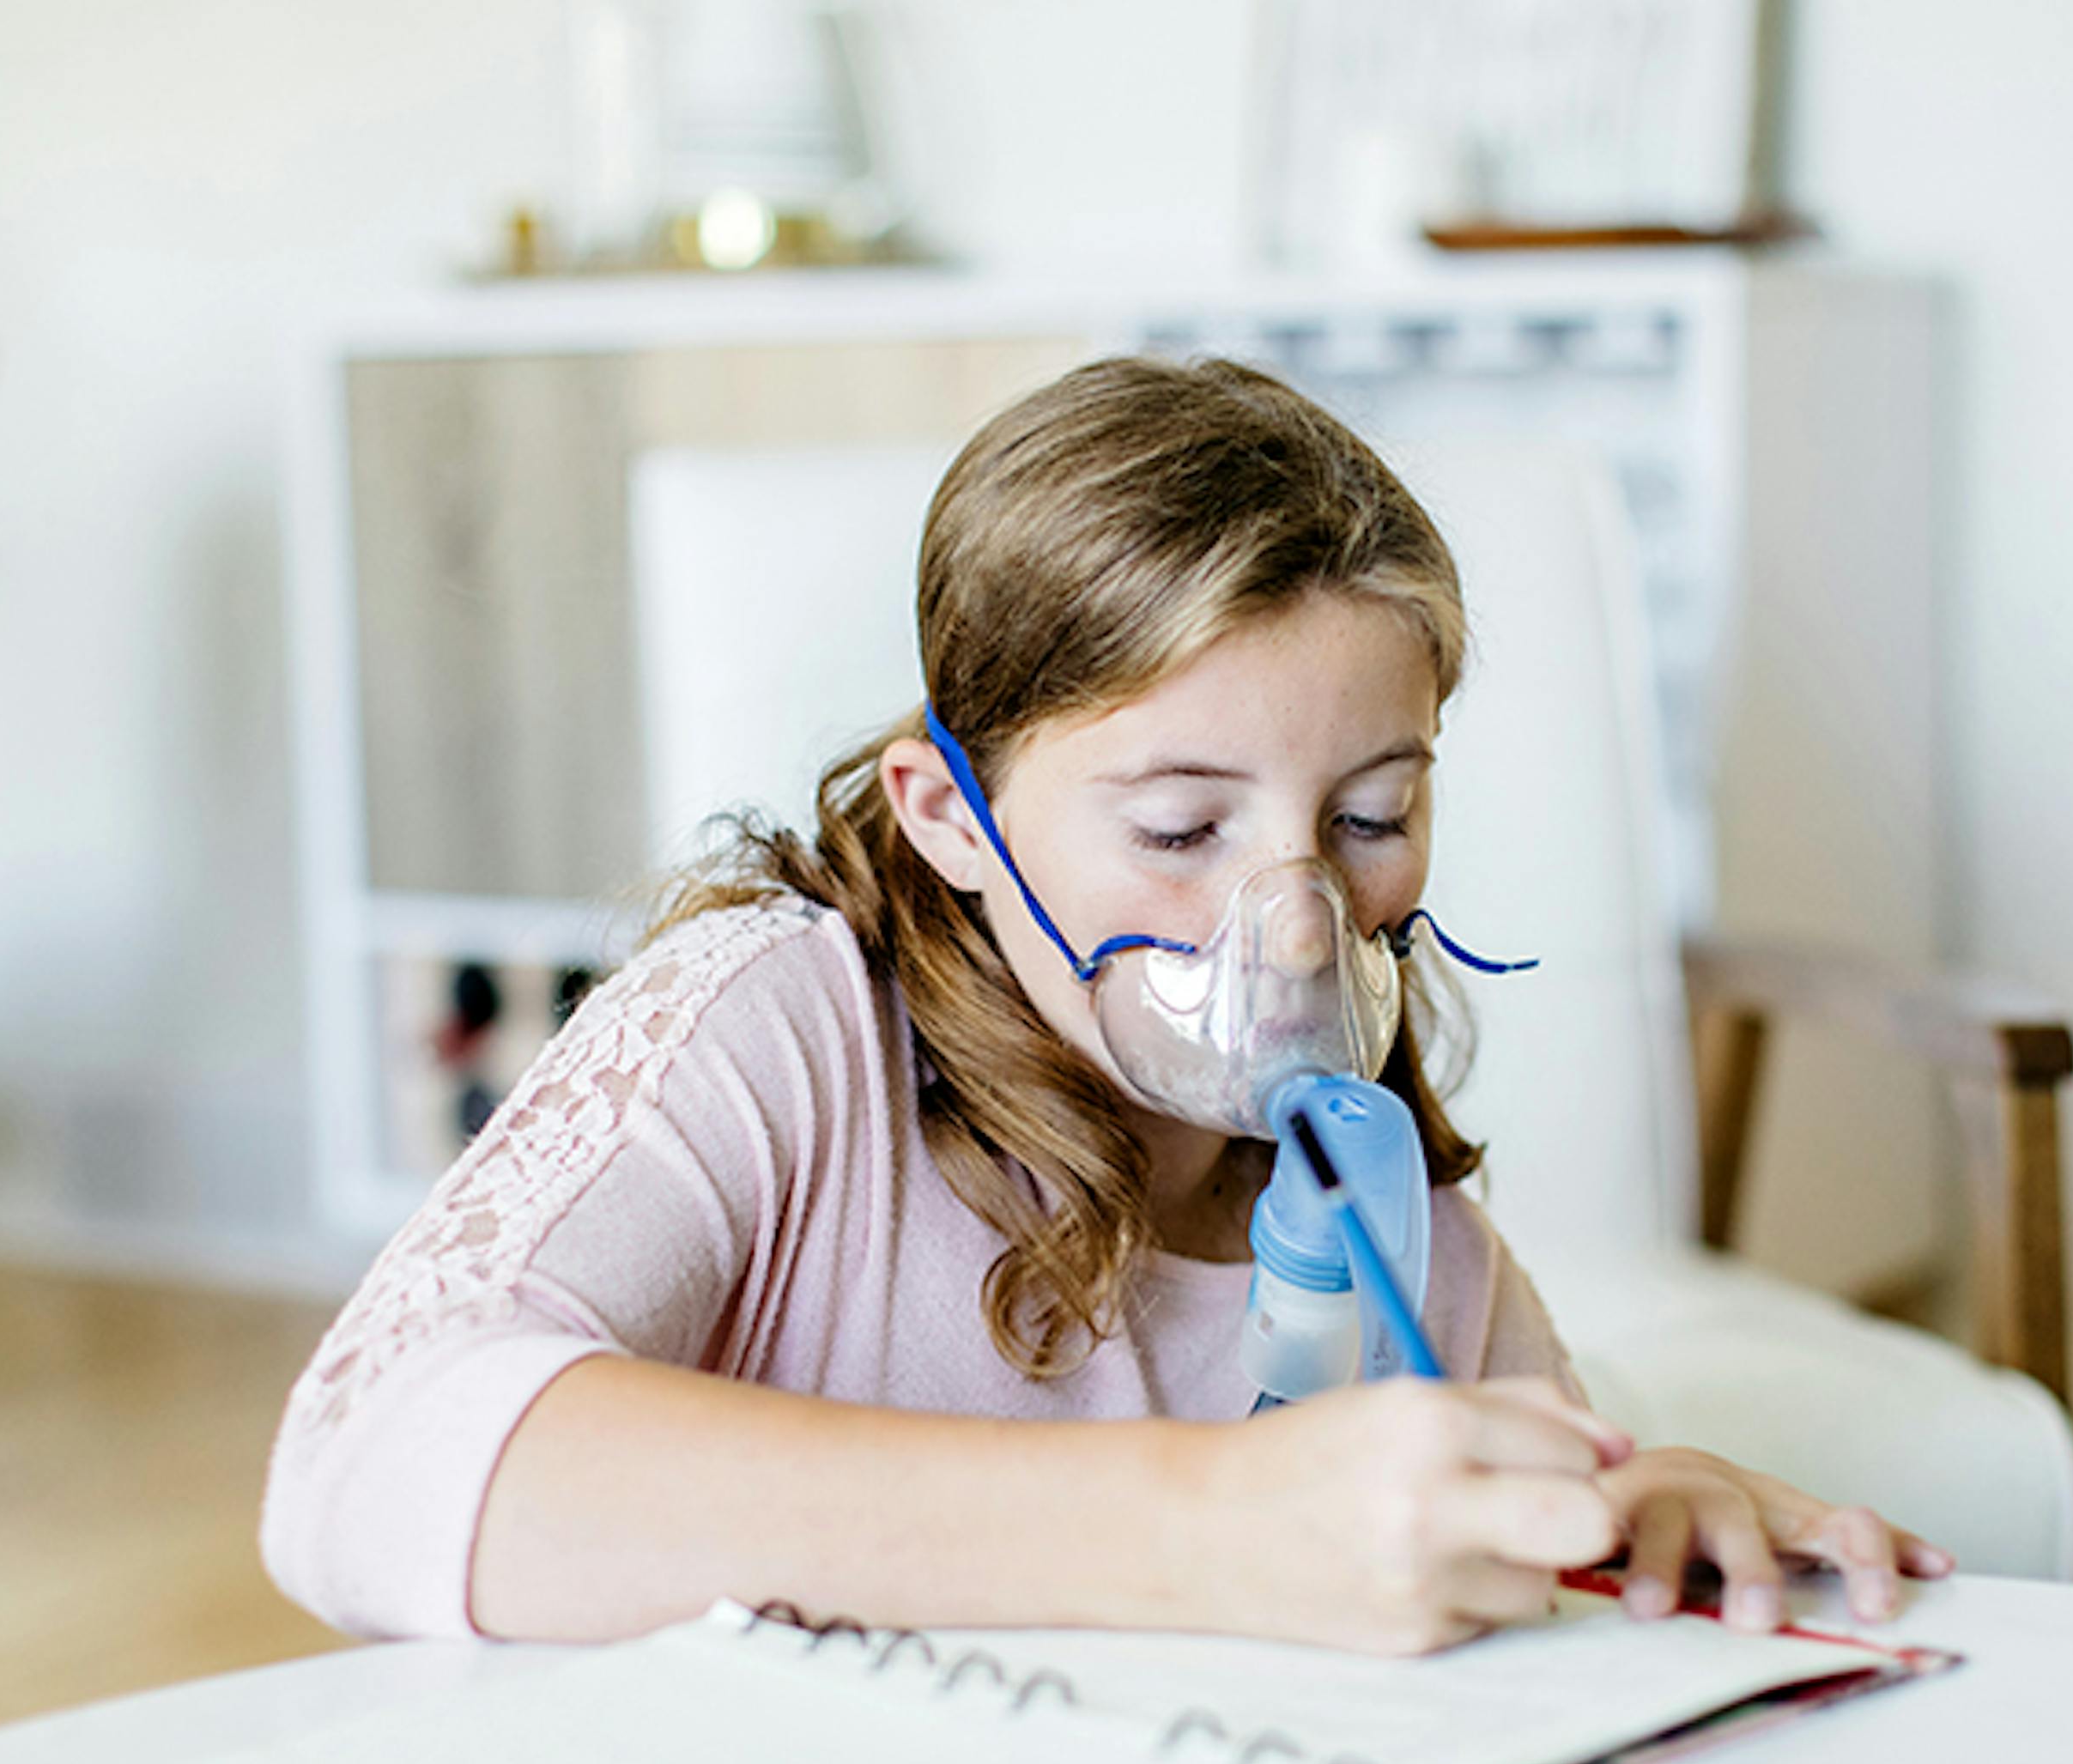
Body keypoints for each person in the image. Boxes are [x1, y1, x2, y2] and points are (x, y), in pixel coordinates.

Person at [261, 357, 1949, 1654]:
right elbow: (362, 1464)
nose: (1293, 924)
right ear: (948, 814)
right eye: (1176, 827)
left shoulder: (1388, 1222)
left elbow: (1498, 1528)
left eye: (1368, 818)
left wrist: (1627, 1513)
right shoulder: (789, 1027)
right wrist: (1205, 1523)